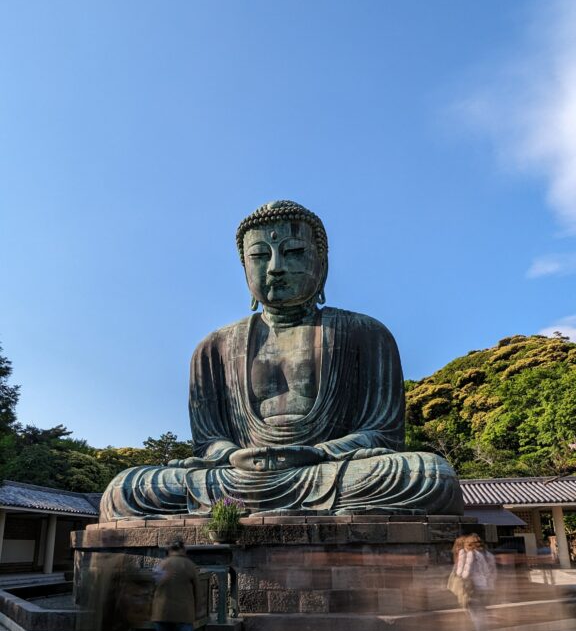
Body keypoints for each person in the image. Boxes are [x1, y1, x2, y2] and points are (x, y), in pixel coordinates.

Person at [100, 200, 463, 519]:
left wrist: (316, 453)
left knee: (429, 476)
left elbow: (382, 435)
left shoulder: (364, 333)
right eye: (259, 255)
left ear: (321, 264)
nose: (274, 267)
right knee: (126, 490)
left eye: (292, 253)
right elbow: (209, 442)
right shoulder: (213, 348)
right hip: (238, 476)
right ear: (244, 267)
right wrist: (233, 456)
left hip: (327, 471)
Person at [456, 533, 501, 631]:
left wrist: (460, 572)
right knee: (483, 616)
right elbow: (492, 573)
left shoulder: (469, 554)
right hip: (486, 589)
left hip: (473, 589)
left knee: (477, 618)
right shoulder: (487, 555)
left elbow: (463, 573)